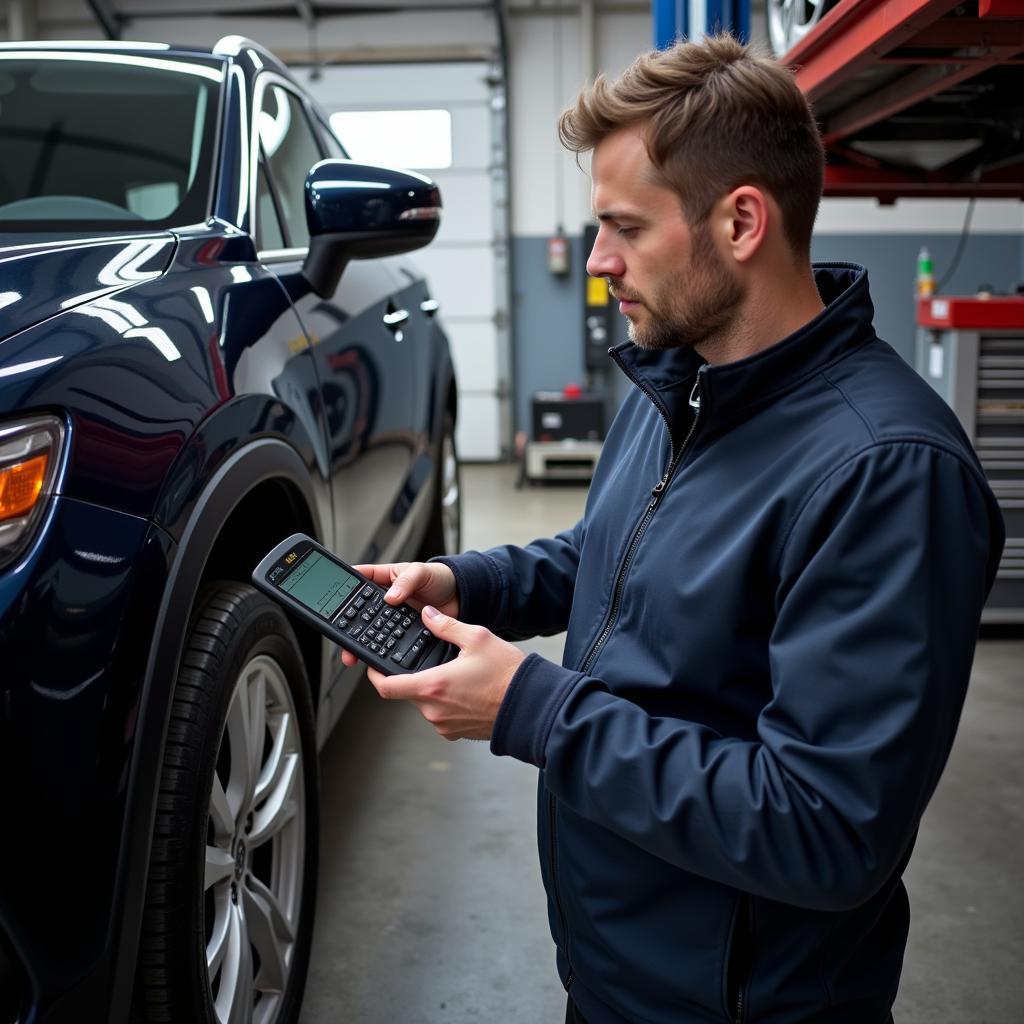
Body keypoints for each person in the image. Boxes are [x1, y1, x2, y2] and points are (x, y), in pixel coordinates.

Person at [340, 33, 1005, 1024]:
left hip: (739, 999)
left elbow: (826, 829)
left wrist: (533, 706)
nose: (598, 261)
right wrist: (465, 582)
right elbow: (611, 557)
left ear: (740, 221)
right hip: (621, 964)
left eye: (623, 227)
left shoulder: (884, 471)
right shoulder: (683, 383)